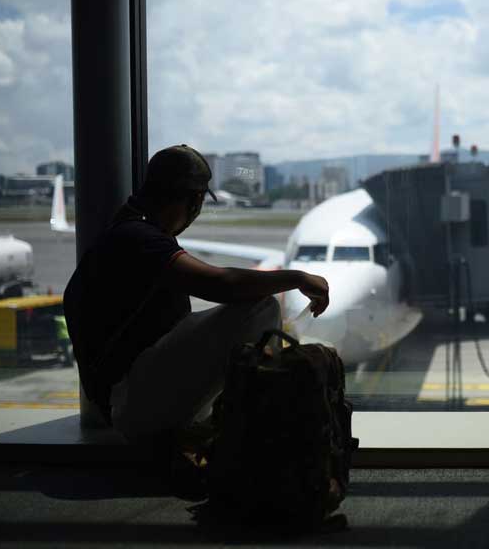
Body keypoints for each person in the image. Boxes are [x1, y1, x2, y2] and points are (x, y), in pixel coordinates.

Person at [63, 144, 329, 442]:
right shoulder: (139, 238)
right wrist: (297, 278)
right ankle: (256, 425)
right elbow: (221, 284)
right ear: (194, 201)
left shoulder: (124, 231)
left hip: (121, 399)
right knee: (261, 308)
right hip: (130, 405)